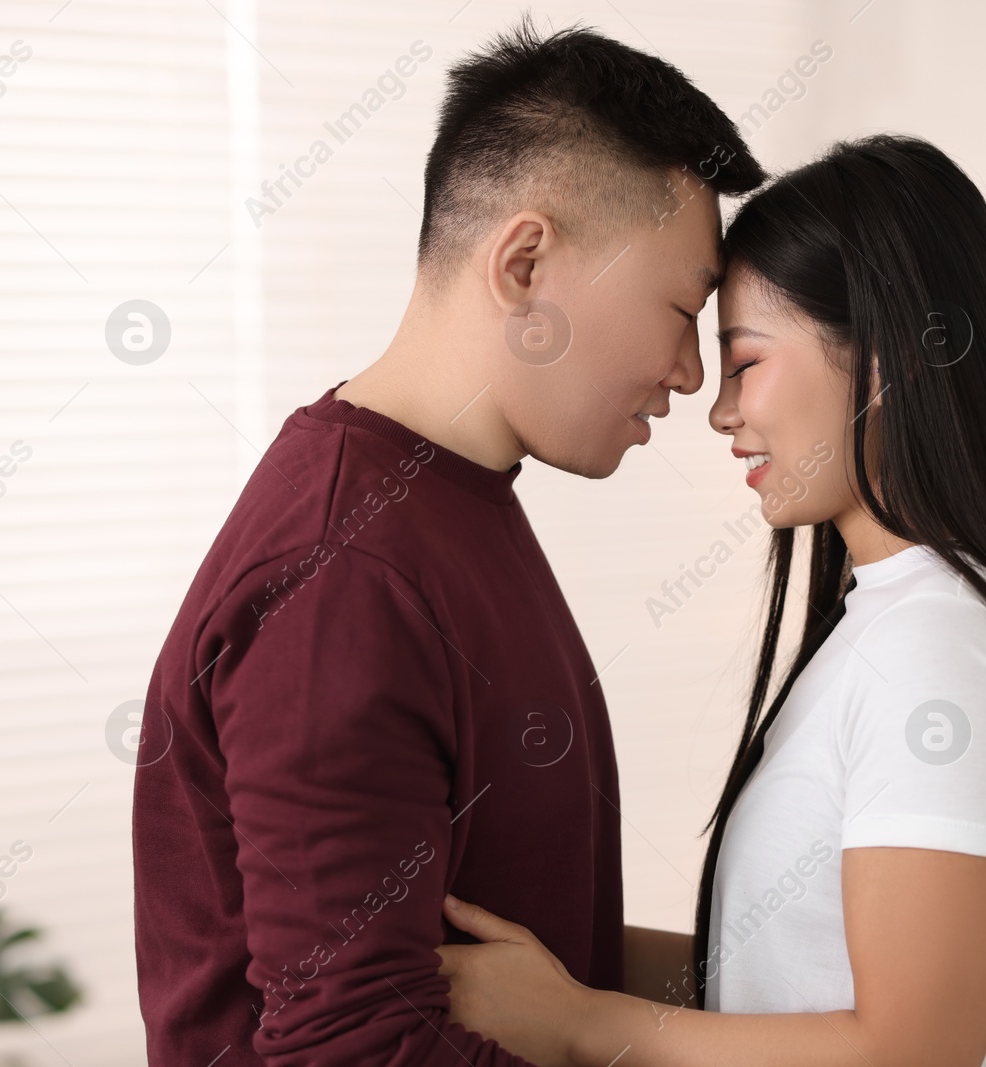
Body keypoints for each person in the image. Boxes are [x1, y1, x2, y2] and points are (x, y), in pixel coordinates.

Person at [130, 18, 763, 1064]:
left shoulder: (442, 498)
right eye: (679, 308)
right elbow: (353, 1049)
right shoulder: (342, 575)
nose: (692, 374)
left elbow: (536, 950)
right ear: (523, 264)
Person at [432, 134, 986, 1067]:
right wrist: (554, 974)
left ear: (885, 361)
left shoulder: (937, 649)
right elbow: (775, 977)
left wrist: (576, 1024)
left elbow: (910, 1051)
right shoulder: (891, 622)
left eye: (745, 361)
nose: (718, 411)